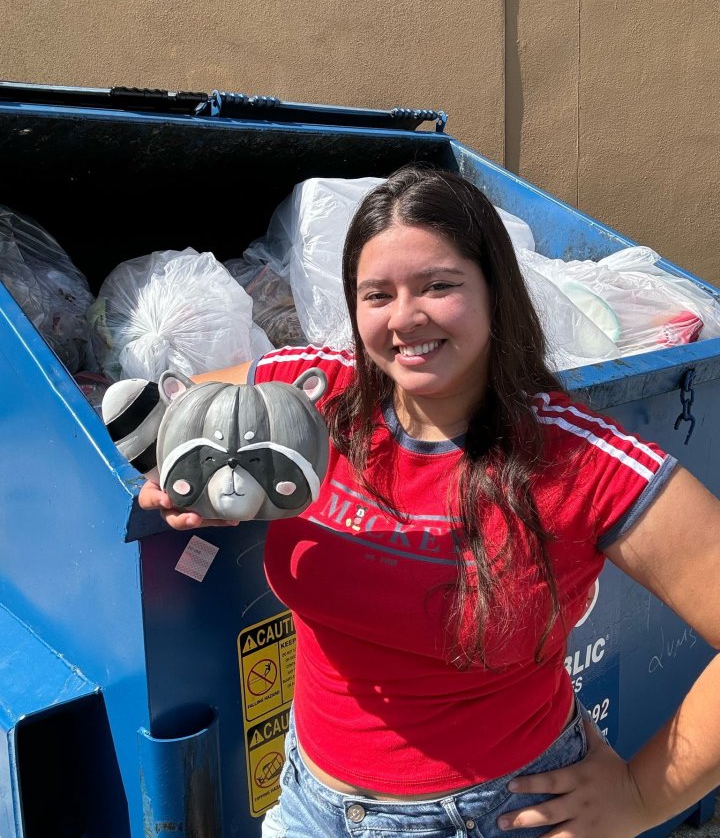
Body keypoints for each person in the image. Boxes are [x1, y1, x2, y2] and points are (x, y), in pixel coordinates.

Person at [139, 164, 720, 838]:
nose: (405, 317)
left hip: (492, 814)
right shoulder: (310, 399)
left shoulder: (576, 458)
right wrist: (199, 464)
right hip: (309, 802)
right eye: (377, 294)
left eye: (439, 286)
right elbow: (182, 405)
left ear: (494, 291)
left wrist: (641, 797)